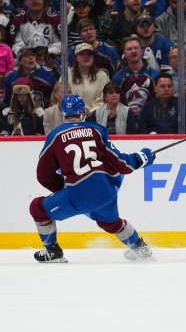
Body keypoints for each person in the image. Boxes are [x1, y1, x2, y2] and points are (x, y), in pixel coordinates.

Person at [29, 94, 156, 263]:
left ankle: (53, 252)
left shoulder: (55, 136)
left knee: (38, 207)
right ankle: (141, 248)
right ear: (83, 112)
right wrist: (142, 158)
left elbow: (43, 174)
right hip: (105, 192)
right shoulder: (97, 130)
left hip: (77, 194)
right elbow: (121, 163)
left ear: (64, 114)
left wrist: (61, 189)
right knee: (111, 223)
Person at [112, 35, 160, 126]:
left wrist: (144, 111)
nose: (133, 51)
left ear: (141, 51)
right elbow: (113, 103)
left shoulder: (154, 75)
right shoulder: (117, 77)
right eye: (129, 49)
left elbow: (159, 102)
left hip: (150, 122)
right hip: (124, 122)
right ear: (124, 54)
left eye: (136, 48)